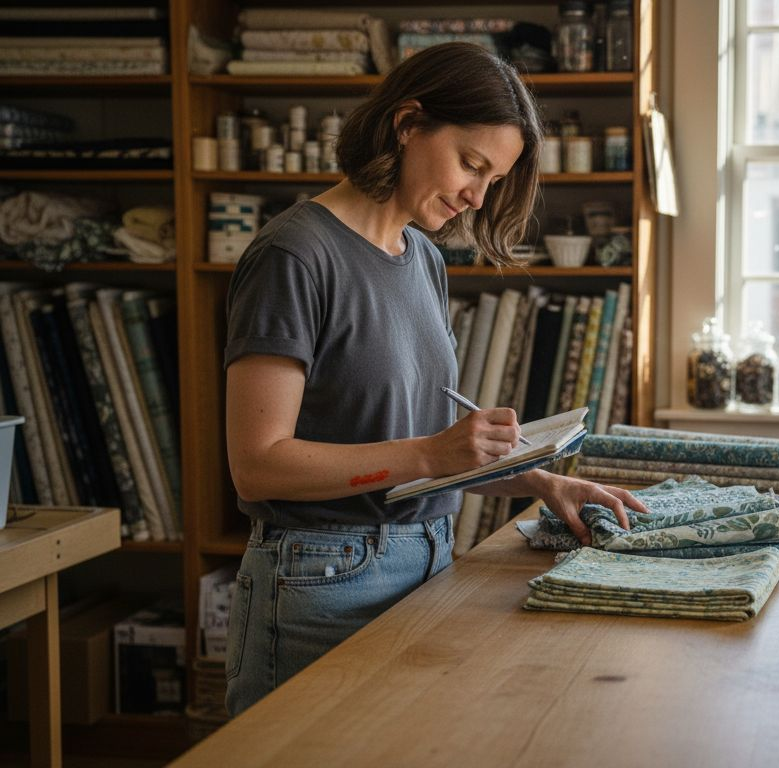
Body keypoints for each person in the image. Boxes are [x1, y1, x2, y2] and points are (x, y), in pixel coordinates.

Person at [222, 43, 647, 716]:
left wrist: (541, 481)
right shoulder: (293, 255)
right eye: (472, 165)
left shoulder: (421, 257)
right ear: (407, 123)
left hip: (428, 558)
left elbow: (413, 453)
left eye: (493, 179)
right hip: (320, 579)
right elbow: (258, 467)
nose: (478, 196)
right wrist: (430, 452)